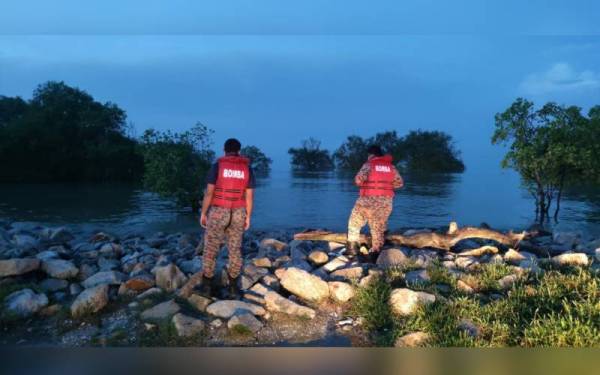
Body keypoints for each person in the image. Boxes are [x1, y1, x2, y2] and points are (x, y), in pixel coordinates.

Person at [178, 138, 255, 299]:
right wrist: (248, 216)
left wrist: (203, 213)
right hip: (239, 212)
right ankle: (234, 289)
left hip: (219, 211)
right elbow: (249, 196)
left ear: (224, 150)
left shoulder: (218, 166)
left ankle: (206, 288)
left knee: (211, 249)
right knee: (235, 250)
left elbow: (209, 193)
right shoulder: (247, 168)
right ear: (238, 151)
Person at [346, 145, 404, 262]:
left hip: (367, 200)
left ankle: (352, 249)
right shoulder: (391, 167)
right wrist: (385, 187)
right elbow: (400, 183)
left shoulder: (368, 165)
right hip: (386, 202)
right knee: (378, 227)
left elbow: (358, 181)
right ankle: (377, 252)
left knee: (355, 222)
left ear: (371, 155)